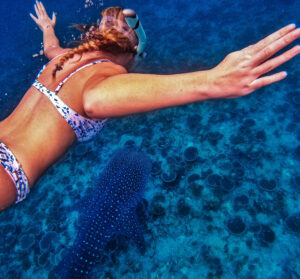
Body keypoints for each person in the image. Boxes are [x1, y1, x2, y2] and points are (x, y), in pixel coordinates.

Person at [0, 1, 299, 211]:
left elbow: (51, 47)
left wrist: (48, 28)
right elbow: (94, 100)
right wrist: (217, 81)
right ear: (132, 55)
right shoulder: (106, 79)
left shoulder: (66, 58)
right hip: (8, 172)